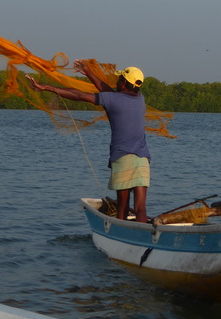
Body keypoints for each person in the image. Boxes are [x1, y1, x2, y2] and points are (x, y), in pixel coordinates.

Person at [26, 60, 150, 222]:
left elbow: (79, 95)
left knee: (123, 207)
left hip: (123, 158)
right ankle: (144, 237)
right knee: (140, 208)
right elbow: (109, 92)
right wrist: (89, 73)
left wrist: (47, 88)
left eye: (120, 80)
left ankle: (121, 240)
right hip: (142, 159)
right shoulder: (139, 98)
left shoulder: (114, 100)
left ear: (125, 83)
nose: (117, 82)